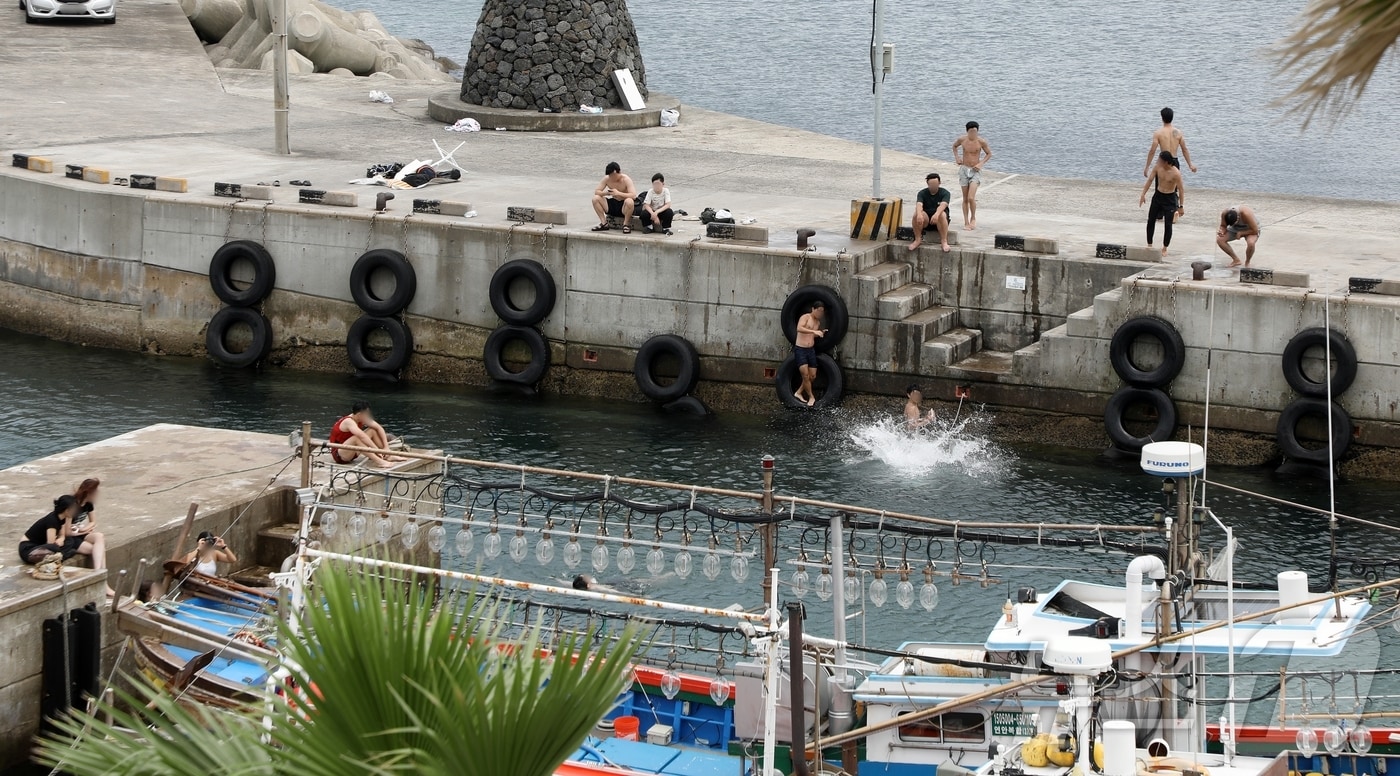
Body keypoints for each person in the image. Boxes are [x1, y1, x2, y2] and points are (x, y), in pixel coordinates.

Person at [18, 494, 112, 594]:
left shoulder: (62, 519)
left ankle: (65, 553)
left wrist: (61, 539)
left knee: (69, 541)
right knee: (54, 547)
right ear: (67, 510)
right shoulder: (52, 520)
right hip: (29, 549)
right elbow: (50, 543)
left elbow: (63, 536)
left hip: (43, 546)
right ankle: (65, 554)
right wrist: (58, 541)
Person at [1139, 151, 1186, 258]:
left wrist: (1181, 206)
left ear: (1166, 162)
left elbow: (1181, 190)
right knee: (1151, 220)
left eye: (1160, 160)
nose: (1158, 162)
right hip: (1158, 196)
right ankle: (1149, 244)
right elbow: (1150, 180)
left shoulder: (1176, 173)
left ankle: (1165, 247)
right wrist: (1143, 194)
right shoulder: (1157, 168)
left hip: (1170, 199)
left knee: (1168, 224)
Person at [329, 401, 401, 468]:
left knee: (372, 430)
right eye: (366, 414)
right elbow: (362, 436)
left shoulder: (361, 418)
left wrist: (386, 447)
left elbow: (379, 428)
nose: (368, 416)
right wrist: (376, 450)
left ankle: (387, 455)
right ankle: (380, 462)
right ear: (360, 414)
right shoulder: (349, 421)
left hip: (352, 450)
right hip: (340, 455)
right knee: (356, 438)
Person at [952, 122, 992, 230]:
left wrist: (981, 163)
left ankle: (973, 218)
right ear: (967, 131)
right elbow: (954, 146)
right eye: (971, 131)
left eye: (975, 131)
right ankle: (966, 222)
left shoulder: (981, 142)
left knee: (971, 197)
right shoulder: (962, 140)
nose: (973, 133)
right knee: (965, 198)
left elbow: (989, 154)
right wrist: (957, 158)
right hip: (964, 169)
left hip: (975, 170)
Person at [1144, 107, 1198, 177]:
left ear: (1162, 118)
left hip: (1162, 162)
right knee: (1173, 186)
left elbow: (1152, 151)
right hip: (1174, 161)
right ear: (1172, 118)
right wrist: (1190, 164)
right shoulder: (1178, 132)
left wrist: (1147, 167)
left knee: (1161, 186)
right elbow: (1184, 149)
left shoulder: (1158, 133)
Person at [793, 301, 827, 407]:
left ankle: (798, 392)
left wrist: (820, 333)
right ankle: (811, 397)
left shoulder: (817, 323)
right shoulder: (805, 317)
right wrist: (814, 332)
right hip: (801, 350)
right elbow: (799, 328)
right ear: (813, 309)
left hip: (810, 350)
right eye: (818, 311)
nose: (820, 313)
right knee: (805, 375)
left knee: (812, 376)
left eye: (822, 311)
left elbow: (812, 336)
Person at [909, 173, 952, 253]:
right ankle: (918, 239)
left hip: (939, 220)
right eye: (931, 185)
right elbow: (919, 204)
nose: (933, 186)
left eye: (935, 184)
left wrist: (936, 214)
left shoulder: (945, 193)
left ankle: (944, 241)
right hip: (926, 220)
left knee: (941, 214)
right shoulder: (922, 193)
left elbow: (943, 205)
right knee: (917, 214)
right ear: (928, 184)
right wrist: (919, 214)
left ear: (939, 183)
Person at [590, 161, 638, 234]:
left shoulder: (626, 179)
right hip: (613, 203)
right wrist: (606, 193)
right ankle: (604, 223)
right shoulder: (607, 179)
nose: (611, 177)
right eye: (610, 175)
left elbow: (633, 195)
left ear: (616, 173)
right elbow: (597, 191)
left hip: (624, 205)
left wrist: (618, 193)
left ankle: (626, 224)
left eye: (612, 175)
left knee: (629, 201)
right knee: (595, 198)